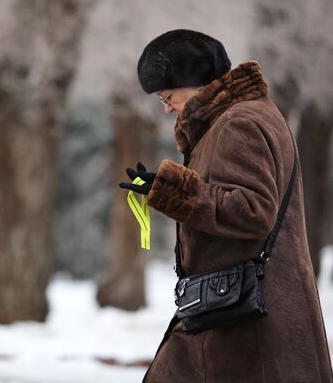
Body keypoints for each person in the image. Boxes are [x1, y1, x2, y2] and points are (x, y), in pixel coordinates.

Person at [119, 29, 333, 382]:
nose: (167, 108)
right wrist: (167, 187)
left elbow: (252, 209)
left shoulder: (238, 123)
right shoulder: (240, 117)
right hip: (235, 317)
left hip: (247, 325)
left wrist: (175, 191)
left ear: (194, 81)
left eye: (167, 96)